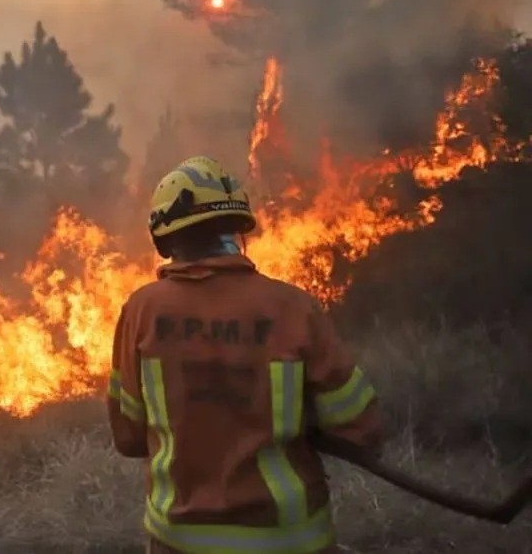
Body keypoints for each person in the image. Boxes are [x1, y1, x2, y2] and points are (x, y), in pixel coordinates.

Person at [107, 156, 383, 554]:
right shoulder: (293, 308)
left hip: (180, 540)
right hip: (289, 540)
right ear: (238, 231)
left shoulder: (142, 312)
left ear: (166, 239)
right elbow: (361, 428)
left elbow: (129, 436)